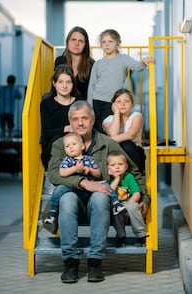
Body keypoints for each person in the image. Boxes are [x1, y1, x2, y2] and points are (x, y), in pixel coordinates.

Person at [47, 100, 149, 283]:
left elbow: (133, 170)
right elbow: (54, 174)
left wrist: (145, 197)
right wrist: (84, 182)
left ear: (93, 120)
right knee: (66, 200)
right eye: (75, 119)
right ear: (70, 121)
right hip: (74, 198)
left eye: (84, 118)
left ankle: (95, 261)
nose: (80, 123)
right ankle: (70, 262)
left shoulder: (107, 143)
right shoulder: (60, 145)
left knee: (101, 197)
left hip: (100, 203)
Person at [88, 29, 155, 133]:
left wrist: (144, 61)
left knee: (107, 129)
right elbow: (91, 85)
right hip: (96, 101)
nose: (107, 45)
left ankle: (110, 149)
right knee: (95, 129)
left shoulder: (123, 59)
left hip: (112, 102)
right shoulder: (97, 64)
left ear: (118, 43)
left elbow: (137, 66)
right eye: (103, 42)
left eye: (110, 41)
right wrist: (90, 106)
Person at [44, 132, 101, 229]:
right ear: (65, 150)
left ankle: (116, 203)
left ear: (82, 146)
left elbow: (98, 174)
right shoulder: (67, 160)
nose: (71, 147)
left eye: (74, 144)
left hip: (89, 189)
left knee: (105, 186)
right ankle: (52, 213)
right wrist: (75, 168)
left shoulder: (89, 159)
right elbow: (62, 173)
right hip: (72, 187)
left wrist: (90, 170)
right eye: (67, 146)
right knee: (59, 189)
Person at [40, 64, 84, 170]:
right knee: (58, 140)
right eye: (60, 82)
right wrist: (66, 129)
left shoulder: (79, 102)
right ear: (54, 83)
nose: (65, 86)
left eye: (68, 82)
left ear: (73, 84)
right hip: (54, 148)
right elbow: (46, 133)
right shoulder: (46, 104)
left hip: (77, 148)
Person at [106, 151, 147, 248]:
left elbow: (136, 195)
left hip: (129, 207)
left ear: (126, 167)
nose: (117, 167)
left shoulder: (129, 177)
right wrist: (116, 179)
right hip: (118, 209)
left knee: (133, 206)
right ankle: (121, 236)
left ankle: (141, 235)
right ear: (108, 168)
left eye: (120, 164)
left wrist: (127, 205)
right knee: (115, 209)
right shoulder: (109, 179)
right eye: (113, 165)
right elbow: (110, 193)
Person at [102, 88, 146, 173]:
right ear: (113, 105)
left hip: (134, 151)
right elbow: (113, 133)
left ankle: (135, 175)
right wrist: (117, 113)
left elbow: (130, 135)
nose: (122, 104)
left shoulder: (137, 116)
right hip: (114, 152)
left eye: (127, 101)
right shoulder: (108, 120)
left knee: (127, 144)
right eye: (118, 102)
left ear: (132, 105)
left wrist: (107, 141)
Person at [55, 26, 95, 99]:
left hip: (82, 105)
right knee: (46, 97)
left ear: (85, 45)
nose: (76, 44)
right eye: (73, 40)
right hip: (63, 101)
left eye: (81, 41)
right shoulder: (60, 61)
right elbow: (57, 86)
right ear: (68, 42)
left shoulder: (92, 65)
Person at [0, 75, 22, 139]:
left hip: (2, 109)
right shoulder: (14, 89)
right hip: (10, 110)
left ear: (7, 81)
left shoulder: (2, 88)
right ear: (14, 82)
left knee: (2, 123)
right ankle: (10, 136)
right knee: (10, 124)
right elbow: (20, 96)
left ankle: (3, 135)